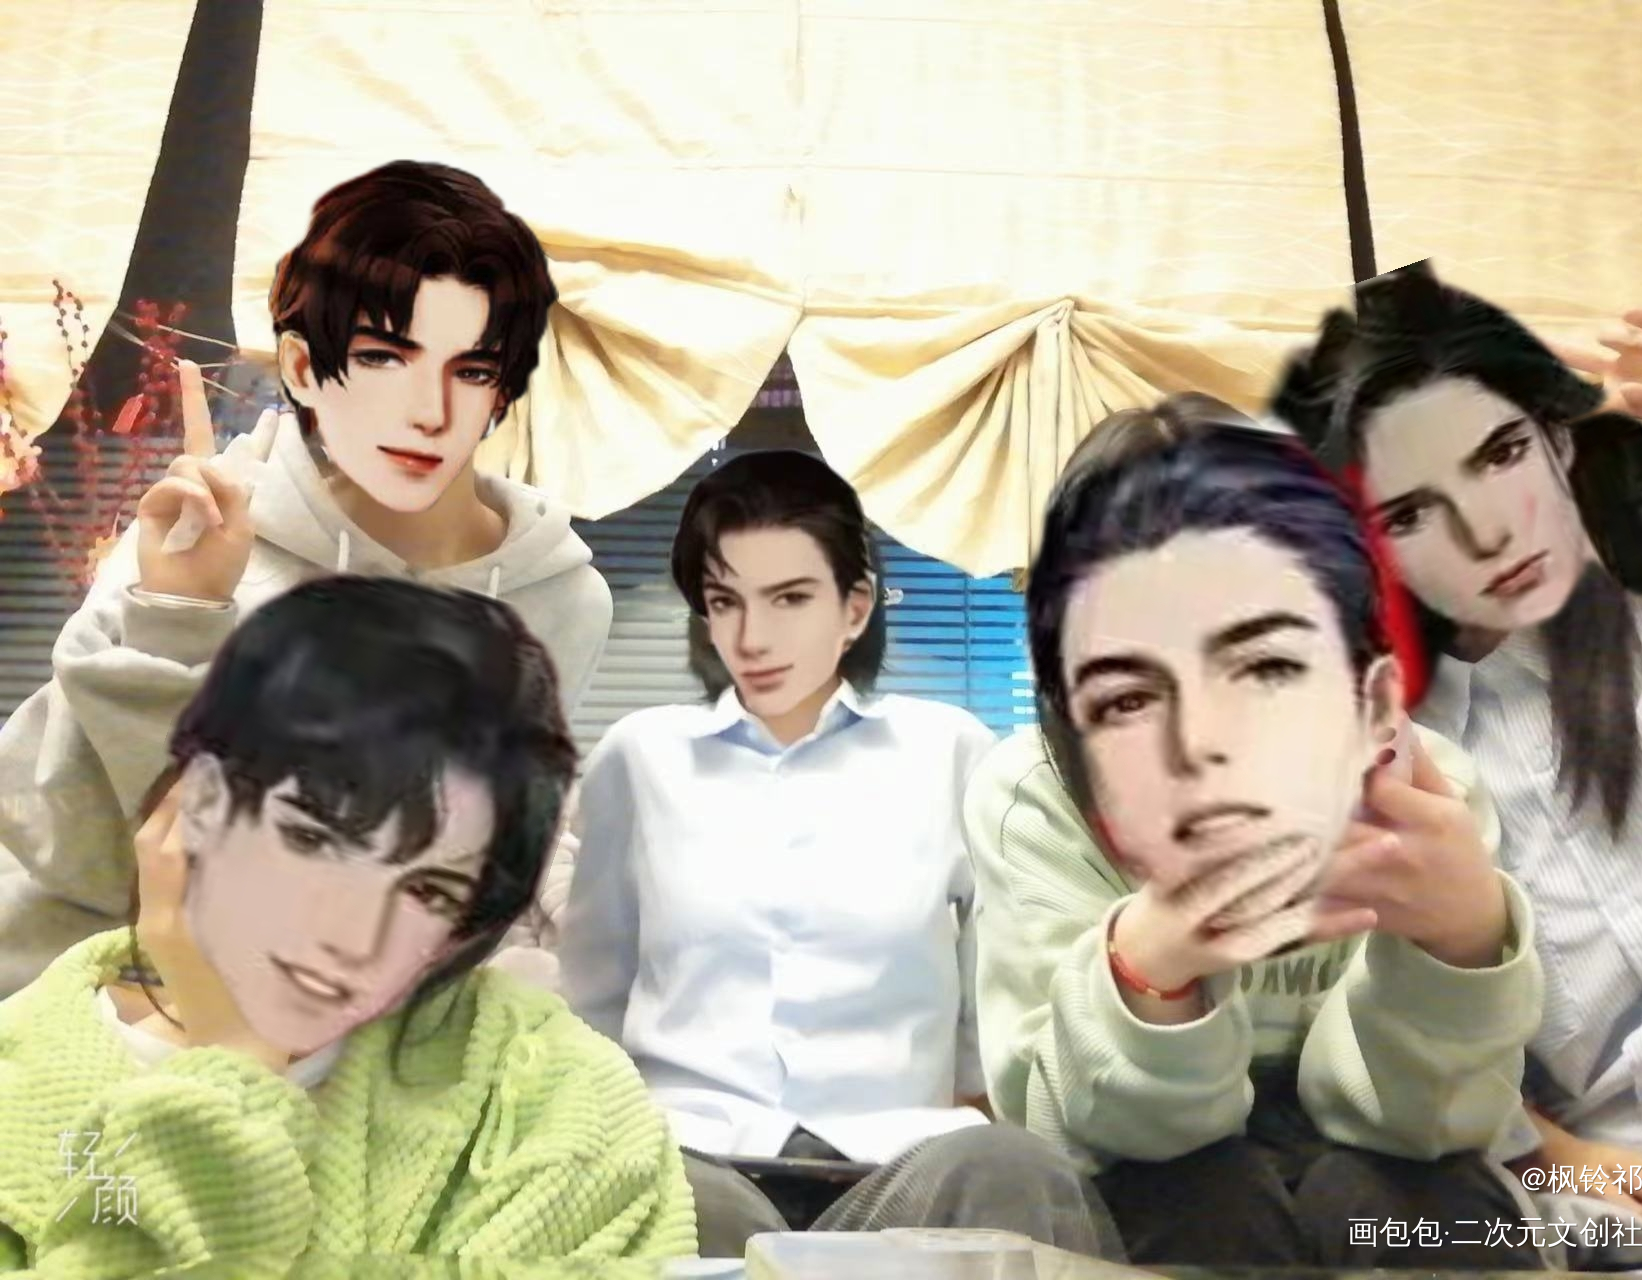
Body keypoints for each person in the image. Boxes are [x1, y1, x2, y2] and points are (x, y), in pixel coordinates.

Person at [0, 160, 612, 994]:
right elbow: (70, 846)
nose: (429, 413)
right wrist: (178, 615)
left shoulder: (560, 599)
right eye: (383, 358)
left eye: (471, 370)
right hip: (93, 994)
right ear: (300, 367)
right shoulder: (188, 541)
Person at [965, 394, 1546, 1269]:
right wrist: (1150, 965)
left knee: (1420, 1195)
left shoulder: (1426, 793)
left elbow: (1417, 1127)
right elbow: (1060, 1130)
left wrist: (1460, 950)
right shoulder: (1037, 796)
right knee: (1199, 1198)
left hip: (1386, 1174)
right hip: (1153, 1186)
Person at [0, 577, 694, 1278]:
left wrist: (235, 1058)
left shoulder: (560, 1099)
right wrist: (230, 1076)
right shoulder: (16, 1085)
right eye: (313, 840)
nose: (352, 936)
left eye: (428, 890)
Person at [558, 450, 1120, 1260]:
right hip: (694, 1155)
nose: (752, 638)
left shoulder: (948, 752)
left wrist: (975, 1097)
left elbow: (989, 995)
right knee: (660, 1199)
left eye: (789, 598)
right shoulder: (639, 757)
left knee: (1009, 1168)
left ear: (854, 608)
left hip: (896, 1159)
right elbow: (594, 997)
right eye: (725, 601)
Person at [1272, 264, 1642, 1253]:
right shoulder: (1376, 753)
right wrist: (1551, 1151)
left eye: (1500, 453)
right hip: (1611, 1227)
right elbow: (1388, 1048)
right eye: (1409, 511)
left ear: (1560, 436)